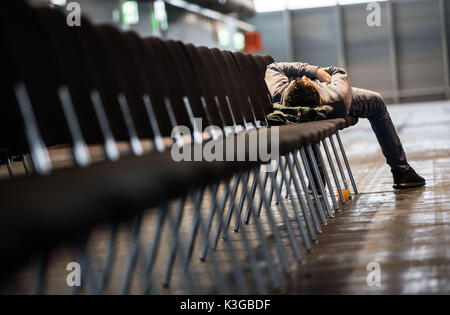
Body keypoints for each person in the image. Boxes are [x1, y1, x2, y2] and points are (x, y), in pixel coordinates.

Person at [265, 62, 425, 189]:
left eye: (304, 79)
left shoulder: (279, 92)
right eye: (307, 80)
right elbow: (337, 71)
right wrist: (323, 76)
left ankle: (316, 183)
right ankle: (401, 171)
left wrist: (314, 71)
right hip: (334, 92)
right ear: (319, 97)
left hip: (312, 103)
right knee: (376, 102)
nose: (305, 77)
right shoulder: (337, 98)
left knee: (304, 120)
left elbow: (273, 67)